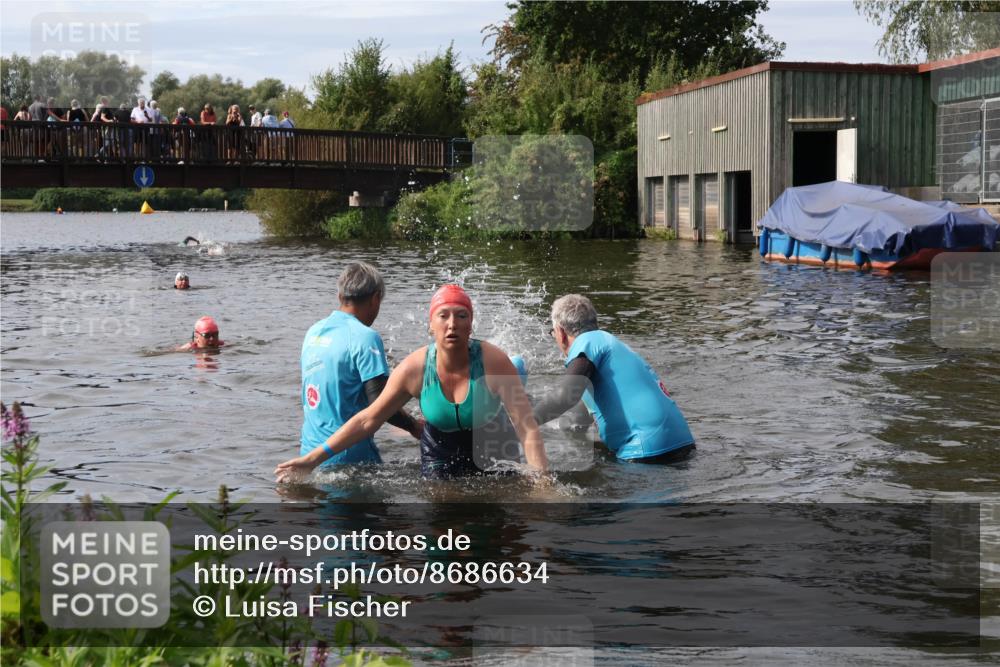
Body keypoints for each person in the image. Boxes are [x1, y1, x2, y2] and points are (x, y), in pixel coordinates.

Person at [275, 283, 548, 483]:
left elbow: (527, 427)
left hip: (492, 441)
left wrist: (542, 482)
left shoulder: (494, 361)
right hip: (440, 449)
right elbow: (368, 419)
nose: (452, 324)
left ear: (470, 325)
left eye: (461, 316)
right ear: (431, 325)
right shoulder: (414, 368)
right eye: (444, 316)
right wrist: (312, 460)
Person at [533, 294, 695, 463]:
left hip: (647, 451)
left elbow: (566, 395)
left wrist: (523, 422)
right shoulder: (612, 347)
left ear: (560, 332)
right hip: (683, 444)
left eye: (553, 334)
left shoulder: (587, 342)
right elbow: (579, 419)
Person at [294, 263, 422, 469]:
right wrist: (415, 427)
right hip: (351, 459)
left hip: (309, 455)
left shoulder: (313, 332)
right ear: (375, 299)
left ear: (340, 297)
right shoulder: (365, 337)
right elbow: (380, 403)